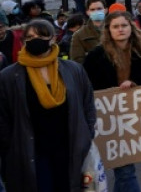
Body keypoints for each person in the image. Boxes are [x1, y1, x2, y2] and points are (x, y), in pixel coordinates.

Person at [0, 19, 97, 192]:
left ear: (53, 39)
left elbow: (88, 104)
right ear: (22, 42)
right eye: (29, 37)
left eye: (41, 35)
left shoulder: (73, 70)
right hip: (31, 152)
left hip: (68, 149)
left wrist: (85, 135)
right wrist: (12, 147)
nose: (35, 40)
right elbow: (3, 119)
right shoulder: (9, 76)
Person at [83, 11, 141, 192]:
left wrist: (135, 84)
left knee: (125, 169)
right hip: (108, 119)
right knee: (125, 169)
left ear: (131, 28)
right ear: (108, 30)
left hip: (135, 117)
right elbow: (87, 86)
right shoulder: (96, 56)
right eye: (115, 26)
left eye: (124, 25)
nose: (120, 30)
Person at [70, 0, 107, 64]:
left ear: (105, 10)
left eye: (99, 9)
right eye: (92, 9)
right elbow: (77, 61)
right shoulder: (79, 35)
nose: (96, 12)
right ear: (87, 12)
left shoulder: (114, 30)